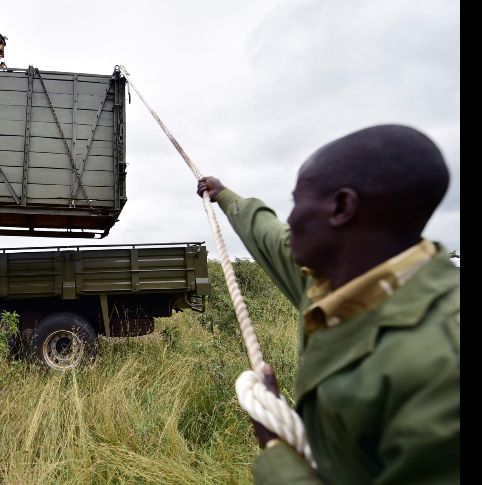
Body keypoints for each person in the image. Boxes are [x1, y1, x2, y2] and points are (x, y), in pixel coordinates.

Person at [197, 124, 459, 483]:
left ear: (342, 207)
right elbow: (268, 233)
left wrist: (276, 452)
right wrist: (225, 195)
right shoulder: (332, 279)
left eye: (297, 202)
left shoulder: (441, 368)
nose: (291, 218)